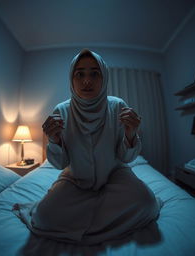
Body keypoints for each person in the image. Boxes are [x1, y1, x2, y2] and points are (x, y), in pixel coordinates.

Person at [13, 49, 161, 245]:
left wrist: (131, 133)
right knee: (43, 216)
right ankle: (102, 214)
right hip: (75, 177)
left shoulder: (117, 106)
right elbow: (59, 163)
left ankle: (85, 215)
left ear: (104, 77)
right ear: (71, 79)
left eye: (94, 73)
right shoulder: (62, 110)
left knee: (147, 203)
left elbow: (126, 158)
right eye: (79, 74)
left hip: (115, 173)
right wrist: (54, 140)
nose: (86, 81)